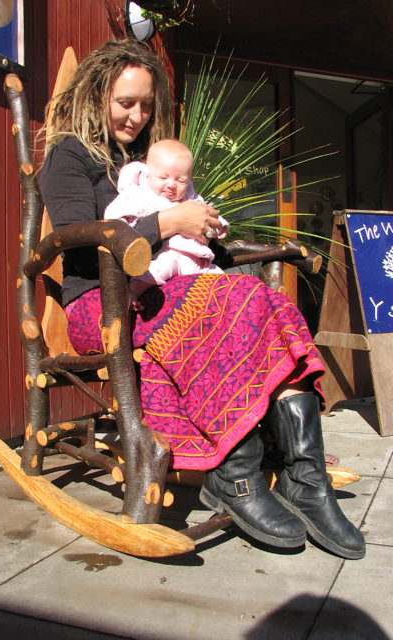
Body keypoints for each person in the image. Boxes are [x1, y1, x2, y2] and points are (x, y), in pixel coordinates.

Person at [39, 39, 364, 560]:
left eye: (146, 104)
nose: (138, 115)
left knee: (268, 303)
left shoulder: (151, 161)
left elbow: (189, 238)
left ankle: (306, 478)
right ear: (98, 94)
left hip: (165, 291)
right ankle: (234, 477)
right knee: (230, 300)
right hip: (103, 305)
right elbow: (78, 240)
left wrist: (203, 227)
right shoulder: (69, 154)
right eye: (126, 103)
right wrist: (170, 221)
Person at [104, 139, 229, 298]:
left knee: (219, 279)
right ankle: (133, 294)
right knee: (153, 273)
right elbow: (118, 210)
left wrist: (221, 225)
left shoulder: (191, 199)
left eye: (180, 180)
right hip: (167, 253)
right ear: (149, 175)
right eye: (163, 177)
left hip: (195, 258)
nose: (171, 185)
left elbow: (208, 214)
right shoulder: (142, 195)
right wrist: (121, 220)